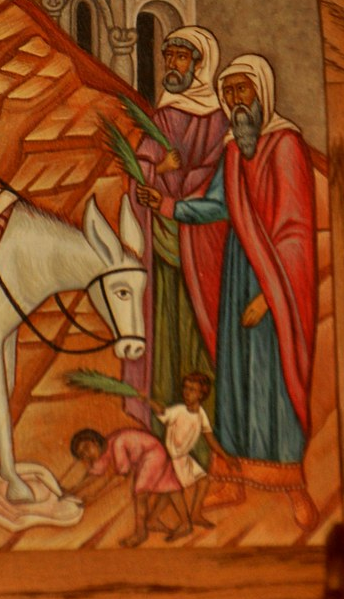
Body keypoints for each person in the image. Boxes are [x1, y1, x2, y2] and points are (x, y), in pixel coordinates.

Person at [137, 54, 318, 528]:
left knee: (273, 381)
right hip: (238, 270)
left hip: (275, 281)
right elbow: (215, 204)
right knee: (235, 377)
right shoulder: (235, 150)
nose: (237, 102)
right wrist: (167, 205)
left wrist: (270, 297)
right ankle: (231, 477)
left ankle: (293, 485)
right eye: (230, 92)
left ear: (263, 92)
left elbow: (296, 231)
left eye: (244, 91)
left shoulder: (286, 145)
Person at [124, 27, 228, 440]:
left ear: (200, 65)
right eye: (169, 57)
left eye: (181, 58)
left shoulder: (219, 118)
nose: (172, 65)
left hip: (200, 242)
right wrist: (157, 170)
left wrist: (176, 188)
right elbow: (141, 166)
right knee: (162, 326)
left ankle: (209, 430)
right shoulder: (163, 115)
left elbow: (218, 178)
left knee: (199, 324)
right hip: (162, 240)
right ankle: (163, 423)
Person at [64, 427, 190, 547]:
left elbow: (121, 477)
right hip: (150, 453)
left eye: (86, 448)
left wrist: (96, 496)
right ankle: (183, 523)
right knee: (170, 487)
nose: (87, 455)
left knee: (141, 491)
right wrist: (73, 491)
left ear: (95, 441)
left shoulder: (117, 444)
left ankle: (141, 533)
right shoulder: (104, 452)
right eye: (83, 455)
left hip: (153, 453)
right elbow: (93, 475)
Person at [142, 372, 235, 528]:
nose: (186, 392)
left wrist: (225, 456)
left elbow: (210, 438)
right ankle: (154, 519)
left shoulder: (201, 414)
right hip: (173, 457)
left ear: (201, 394)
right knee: (172, 490)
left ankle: (194, 514)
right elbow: (162, 412)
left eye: (192, 389)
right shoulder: (179, 410)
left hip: (183, 457)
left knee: (201, 481)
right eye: (185, 388)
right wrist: (147, 400)